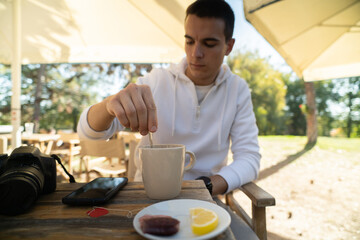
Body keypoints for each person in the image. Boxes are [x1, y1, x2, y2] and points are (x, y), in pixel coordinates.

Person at [77, 0, 260, 197]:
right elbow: (88, 134)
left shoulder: (237, 89)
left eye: (209, 44)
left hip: (204, 198)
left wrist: (206, 186)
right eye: (189, 41)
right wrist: (108, 106)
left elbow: (249, 158)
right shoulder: (156, 81)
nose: (195, 53)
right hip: (147, 196)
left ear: (229, 46)